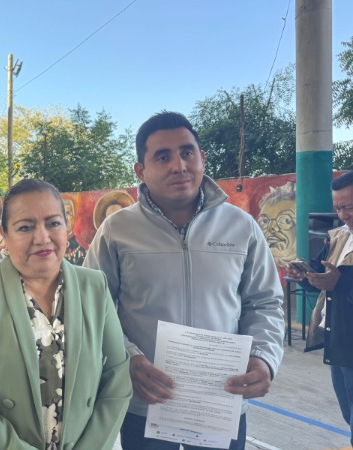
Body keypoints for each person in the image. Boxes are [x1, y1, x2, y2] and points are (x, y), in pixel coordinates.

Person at [83, 111, 285, 450]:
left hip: (220, 403)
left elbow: (264, 302)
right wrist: (126, 358)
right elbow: (93, 308)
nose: (179, 165)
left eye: (187, 152)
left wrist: (264, 357)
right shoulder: (116, 231)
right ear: (140, 171)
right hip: (145, 403)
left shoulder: (241, 227)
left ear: (202, 158)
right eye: (163, 157)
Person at [0, 179, 132, 450]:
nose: (42, 238)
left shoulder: (94, 286)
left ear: (67, 227)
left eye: (53, 223)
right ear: (4, 234)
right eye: (25, 227)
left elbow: (117, 382)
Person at [286, 170, 353, 447]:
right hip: (338, 338)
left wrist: (342, 283)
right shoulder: (339, 236)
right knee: (348, 412)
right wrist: (307, 277)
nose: (343, 215)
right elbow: (325, 279)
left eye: (349, 207)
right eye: (338, 208)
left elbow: (340, 283)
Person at [63, 198, 86, 265]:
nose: (66, 218)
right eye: (62, 214)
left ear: (73, 218)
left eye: (68, 213)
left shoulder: (81, 245)